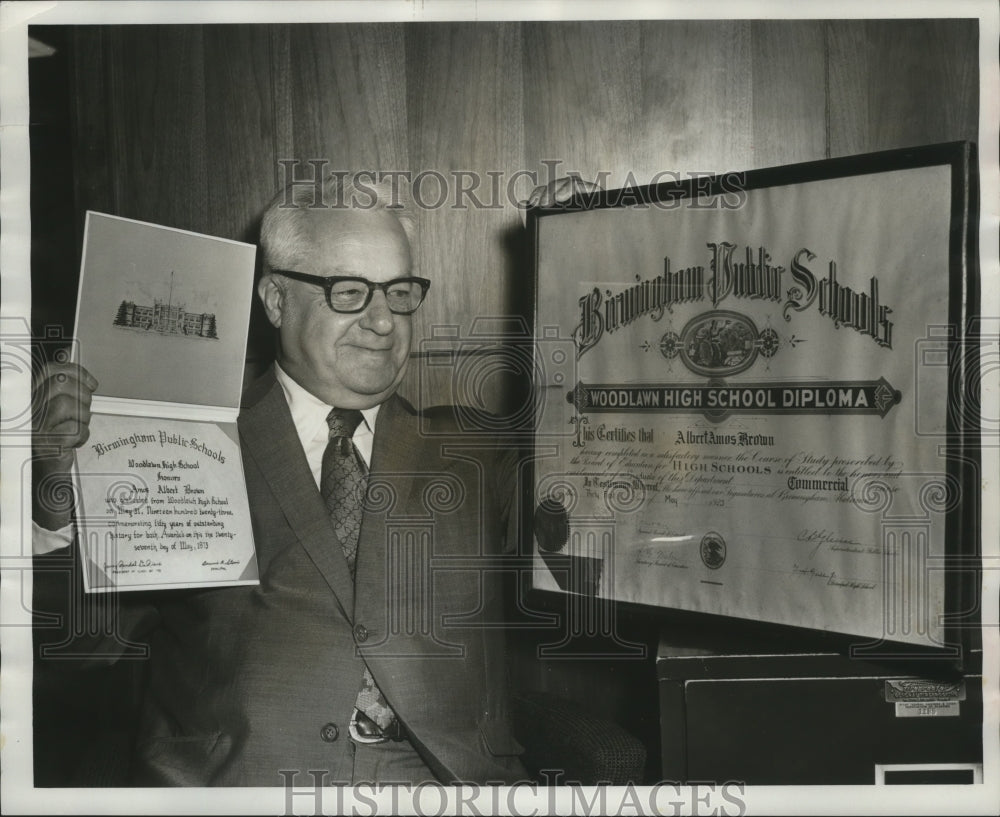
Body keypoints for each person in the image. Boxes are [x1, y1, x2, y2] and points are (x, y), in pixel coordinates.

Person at [31, 172, 592, 786]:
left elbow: (588, 562)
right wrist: (57, 499)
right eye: (349, 291)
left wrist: (578, 265)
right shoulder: (180, 446)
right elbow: (81, 653)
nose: (384, 321)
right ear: (276, 299)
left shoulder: (478, 450)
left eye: (400, 292)